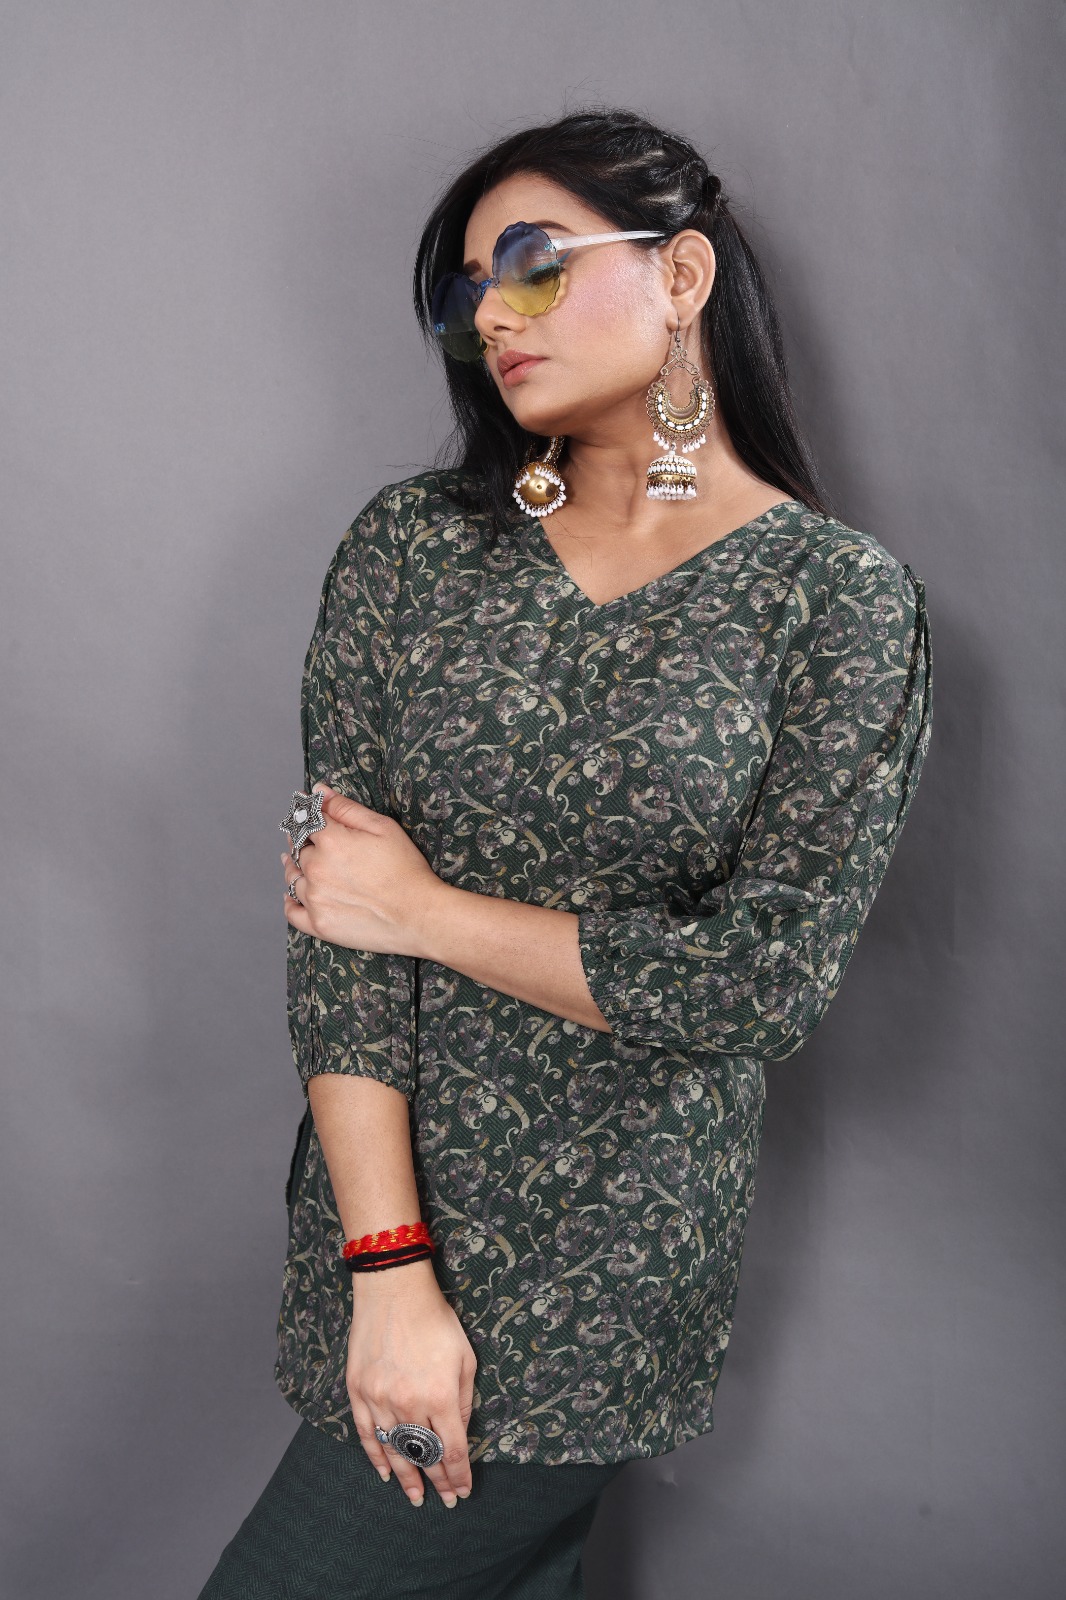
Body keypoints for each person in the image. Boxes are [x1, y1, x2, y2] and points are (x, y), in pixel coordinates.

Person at [197, 106, 934, 1599]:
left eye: (531, 264)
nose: (490, 316)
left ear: (682, 276)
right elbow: (336, 940)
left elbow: (759, 987)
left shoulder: (834, 604)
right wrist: (387, 1268)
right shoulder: (413, 550)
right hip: (382, 1246)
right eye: (465, 289)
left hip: (603, 1281)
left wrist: (425, 911)